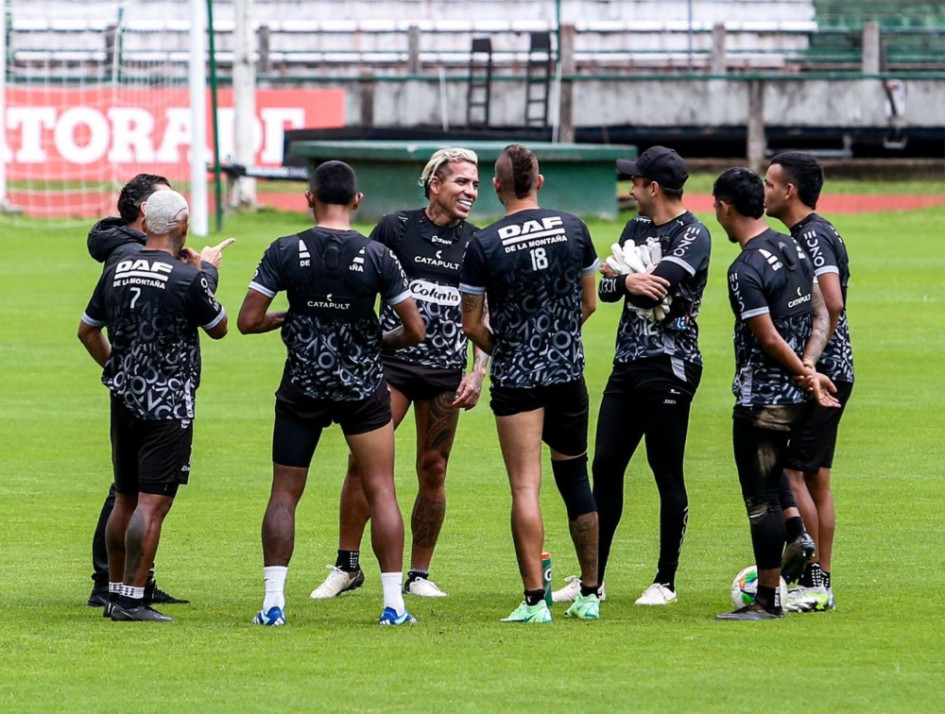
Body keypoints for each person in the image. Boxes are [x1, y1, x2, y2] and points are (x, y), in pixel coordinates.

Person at [238, 160, 426, 627]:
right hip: (363, 387)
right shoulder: (379, 256)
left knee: (284, 492)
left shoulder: (285, 249)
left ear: (308, 198)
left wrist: (285, 318)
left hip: (302, 385)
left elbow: (246, 321)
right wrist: (376, 341)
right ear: (357, 201)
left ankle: (273, 604)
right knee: (382, 490)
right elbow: (416, 330)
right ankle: (393, 605)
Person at [310, 148, 488, 600]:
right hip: (390, 367)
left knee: (434, 468)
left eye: (475, 183)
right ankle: (347, 566)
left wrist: (478, 370)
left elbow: (489, 314)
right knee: (364, 461)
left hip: (447, 372)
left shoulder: (478, 242)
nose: (470, 190)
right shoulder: (396, 228)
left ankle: (419, 574)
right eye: (461, 183)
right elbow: (361, 284)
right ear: (435, 186)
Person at [555, 146, 711, 607]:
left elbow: (658, 287)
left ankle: (666, 580)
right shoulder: (635, 227)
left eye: (636, 183)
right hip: (626, 364)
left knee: (666, 471)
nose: (630, 190)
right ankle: (593, 578)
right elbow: (608, 288)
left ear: (654, 188)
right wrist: (626, 280)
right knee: (604, 467)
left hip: (671, 366)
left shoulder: (693, 234)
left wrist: (626, 276)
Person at [460, 144, 601, 623]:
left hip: (517, 378)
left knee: (526, 487)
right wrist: (557, 342)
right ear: (539, 182)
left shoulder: (483, 244)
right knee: (576, 479)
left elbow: (472, 324)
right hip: (567, 373)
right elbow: (589, 304)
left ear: (497, 187)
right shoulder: (575, 228)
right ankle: (589, 593)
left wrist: (509, 348)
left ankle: (535, 601)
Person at [77, 189, 229, 621]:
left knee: (124, 498)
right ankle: (130, 600)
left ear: (145, 225)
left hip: (123, 399)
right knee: (152, 503)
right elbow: (218, 327)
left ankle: (113, 592)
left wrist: (118, 368)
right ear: (181, 225)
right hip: (169, 404)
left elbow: (87, 331)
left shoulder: (117, 269)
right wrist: (208, 273)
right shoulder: (186, 277)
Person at [712, 167, 838, 621]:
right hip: (798, 398)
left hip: (762, 404)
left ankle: (766, 600)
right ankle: (795, 532)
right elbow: (823, 311)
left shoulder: (743, 268)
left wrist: (803, 374)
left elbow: (766, 339)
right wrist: (808, 368)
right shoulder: (794, 246)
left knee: (759, 496)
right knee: (777, 478)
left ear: (725, 207)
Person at [765, 151, 854, 612]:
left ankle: (816, 580)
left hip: (825, 374)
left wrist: (807, 364)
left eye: (769, 183)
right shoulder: (810, 232)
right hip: (829, 372)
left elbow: (832, 302)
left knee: (795, 472)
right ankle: (821, 579)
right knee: (816, 476)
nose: (764, 191)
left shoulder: (812, 236)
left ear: (789, 190)